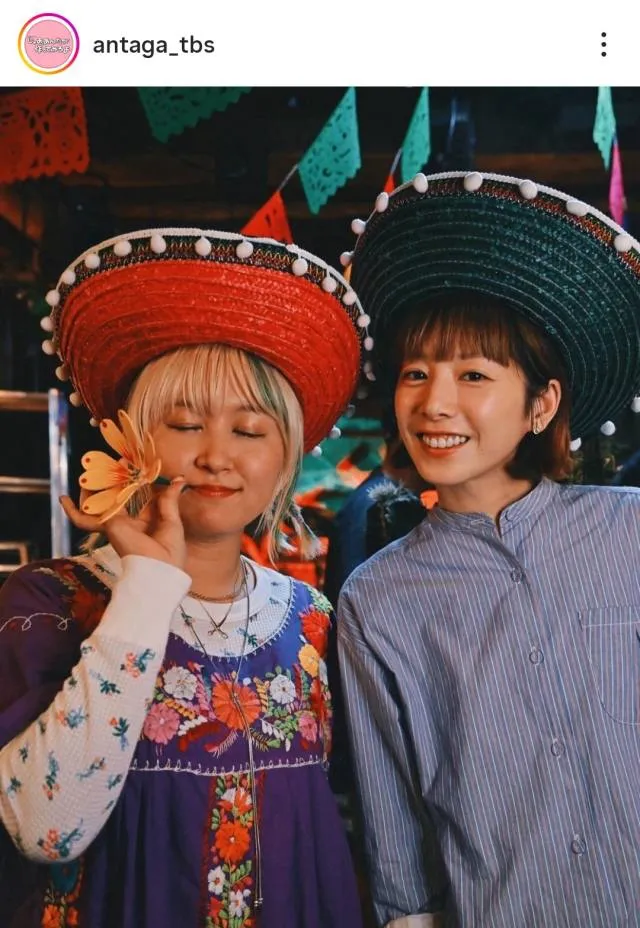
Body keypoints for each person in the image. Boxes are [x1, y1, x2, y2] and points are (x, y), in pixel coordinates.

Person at [0, 228, 366, 928]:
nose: (216, 456)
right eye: (185, 424)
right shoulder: (52, 601)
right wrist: (143, 590)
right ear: (133, 440)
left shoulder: (312, 619)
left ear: (285, 459)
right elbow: (46, 830)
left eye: (250, 431)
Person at [337, 171, 640, 927]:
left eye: (473, 374)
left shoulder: (630, 532)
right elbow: (391, 812)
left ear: (542, 403)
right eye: (415, 373)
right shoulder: (377, 600)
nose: (434, 403)